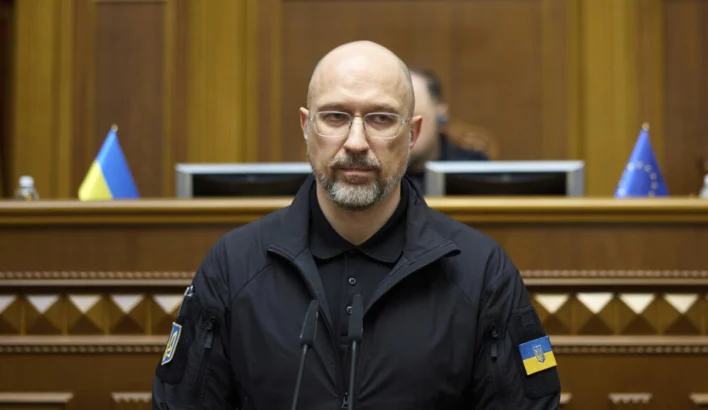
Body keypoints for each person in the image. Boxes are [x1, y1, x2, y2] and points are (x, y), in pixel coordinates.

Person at [152, 41, 560, 409]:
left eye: (381, 118)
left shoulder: (481, 271)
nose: (356, 142)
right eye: (335, 117)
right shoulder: (233, 266)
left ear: (413, 133)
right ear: (306, 127)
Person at [407, 67, 489, 193]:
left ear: (440, 113)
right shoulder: (378, 171)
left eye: (412, 117)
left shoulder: (472, 168)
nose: (403, 129)